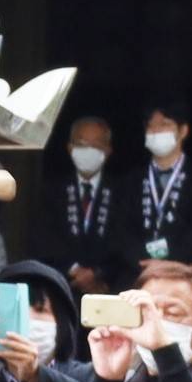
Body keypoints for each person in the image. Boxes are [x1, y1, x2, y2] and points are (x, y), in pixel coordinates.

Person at [128, 102, 192, 273]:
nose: (156, 131)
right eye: (150, 126)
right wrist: (143, 263)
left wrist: (169, 265)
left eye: (164, 124)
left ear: (183, 130)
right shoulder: (131, 179)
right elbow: (121, 232)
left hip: (185, 273)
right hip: (137, 272)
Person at [45, 113, 127, 293]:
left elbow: (124, 242)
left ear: (107, 150)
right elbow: (44, 238)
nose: (88, 150)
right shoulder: (53, 190)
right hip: (61, 286)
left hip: (107, 288)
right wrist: (75, 271)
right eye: (81, 144)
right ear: (70, 148)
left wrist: (97, 274)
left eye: (96, 145)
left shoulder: (123, 192)